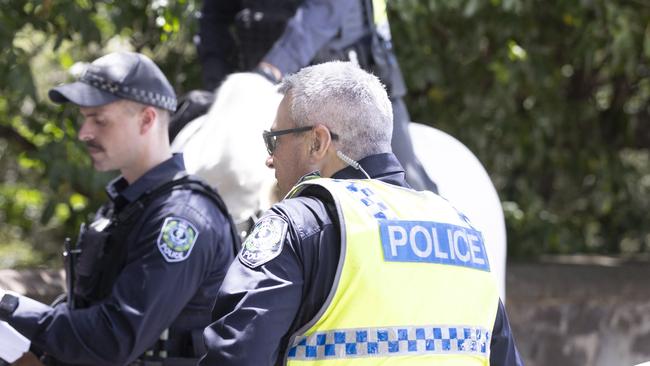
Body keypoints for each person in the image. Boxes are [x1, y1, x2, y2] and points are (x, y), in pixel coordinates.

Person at [200, 61, 523, 365]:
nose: (270, 159)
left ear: (317, 142)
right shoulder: (462, 231)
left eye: (274, 141)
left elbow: (235, 356)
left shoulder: (301, 223)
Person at [0, 51, 238, 365]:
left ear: (147, 119)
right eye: (85, 118)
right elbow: (82, 310)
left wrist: (9, 306)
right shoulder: (128, 207)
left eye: (99, 120)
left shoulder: (181, 219)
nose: (84, 132)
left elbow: (114, 339)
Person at [195, 0, 438, 192]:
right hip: (262, 92)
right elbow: (214, 19)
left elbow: (323, 12)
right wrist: (221, 89)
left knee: (401, 182)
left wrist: (271, 69)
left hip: (353, 95)